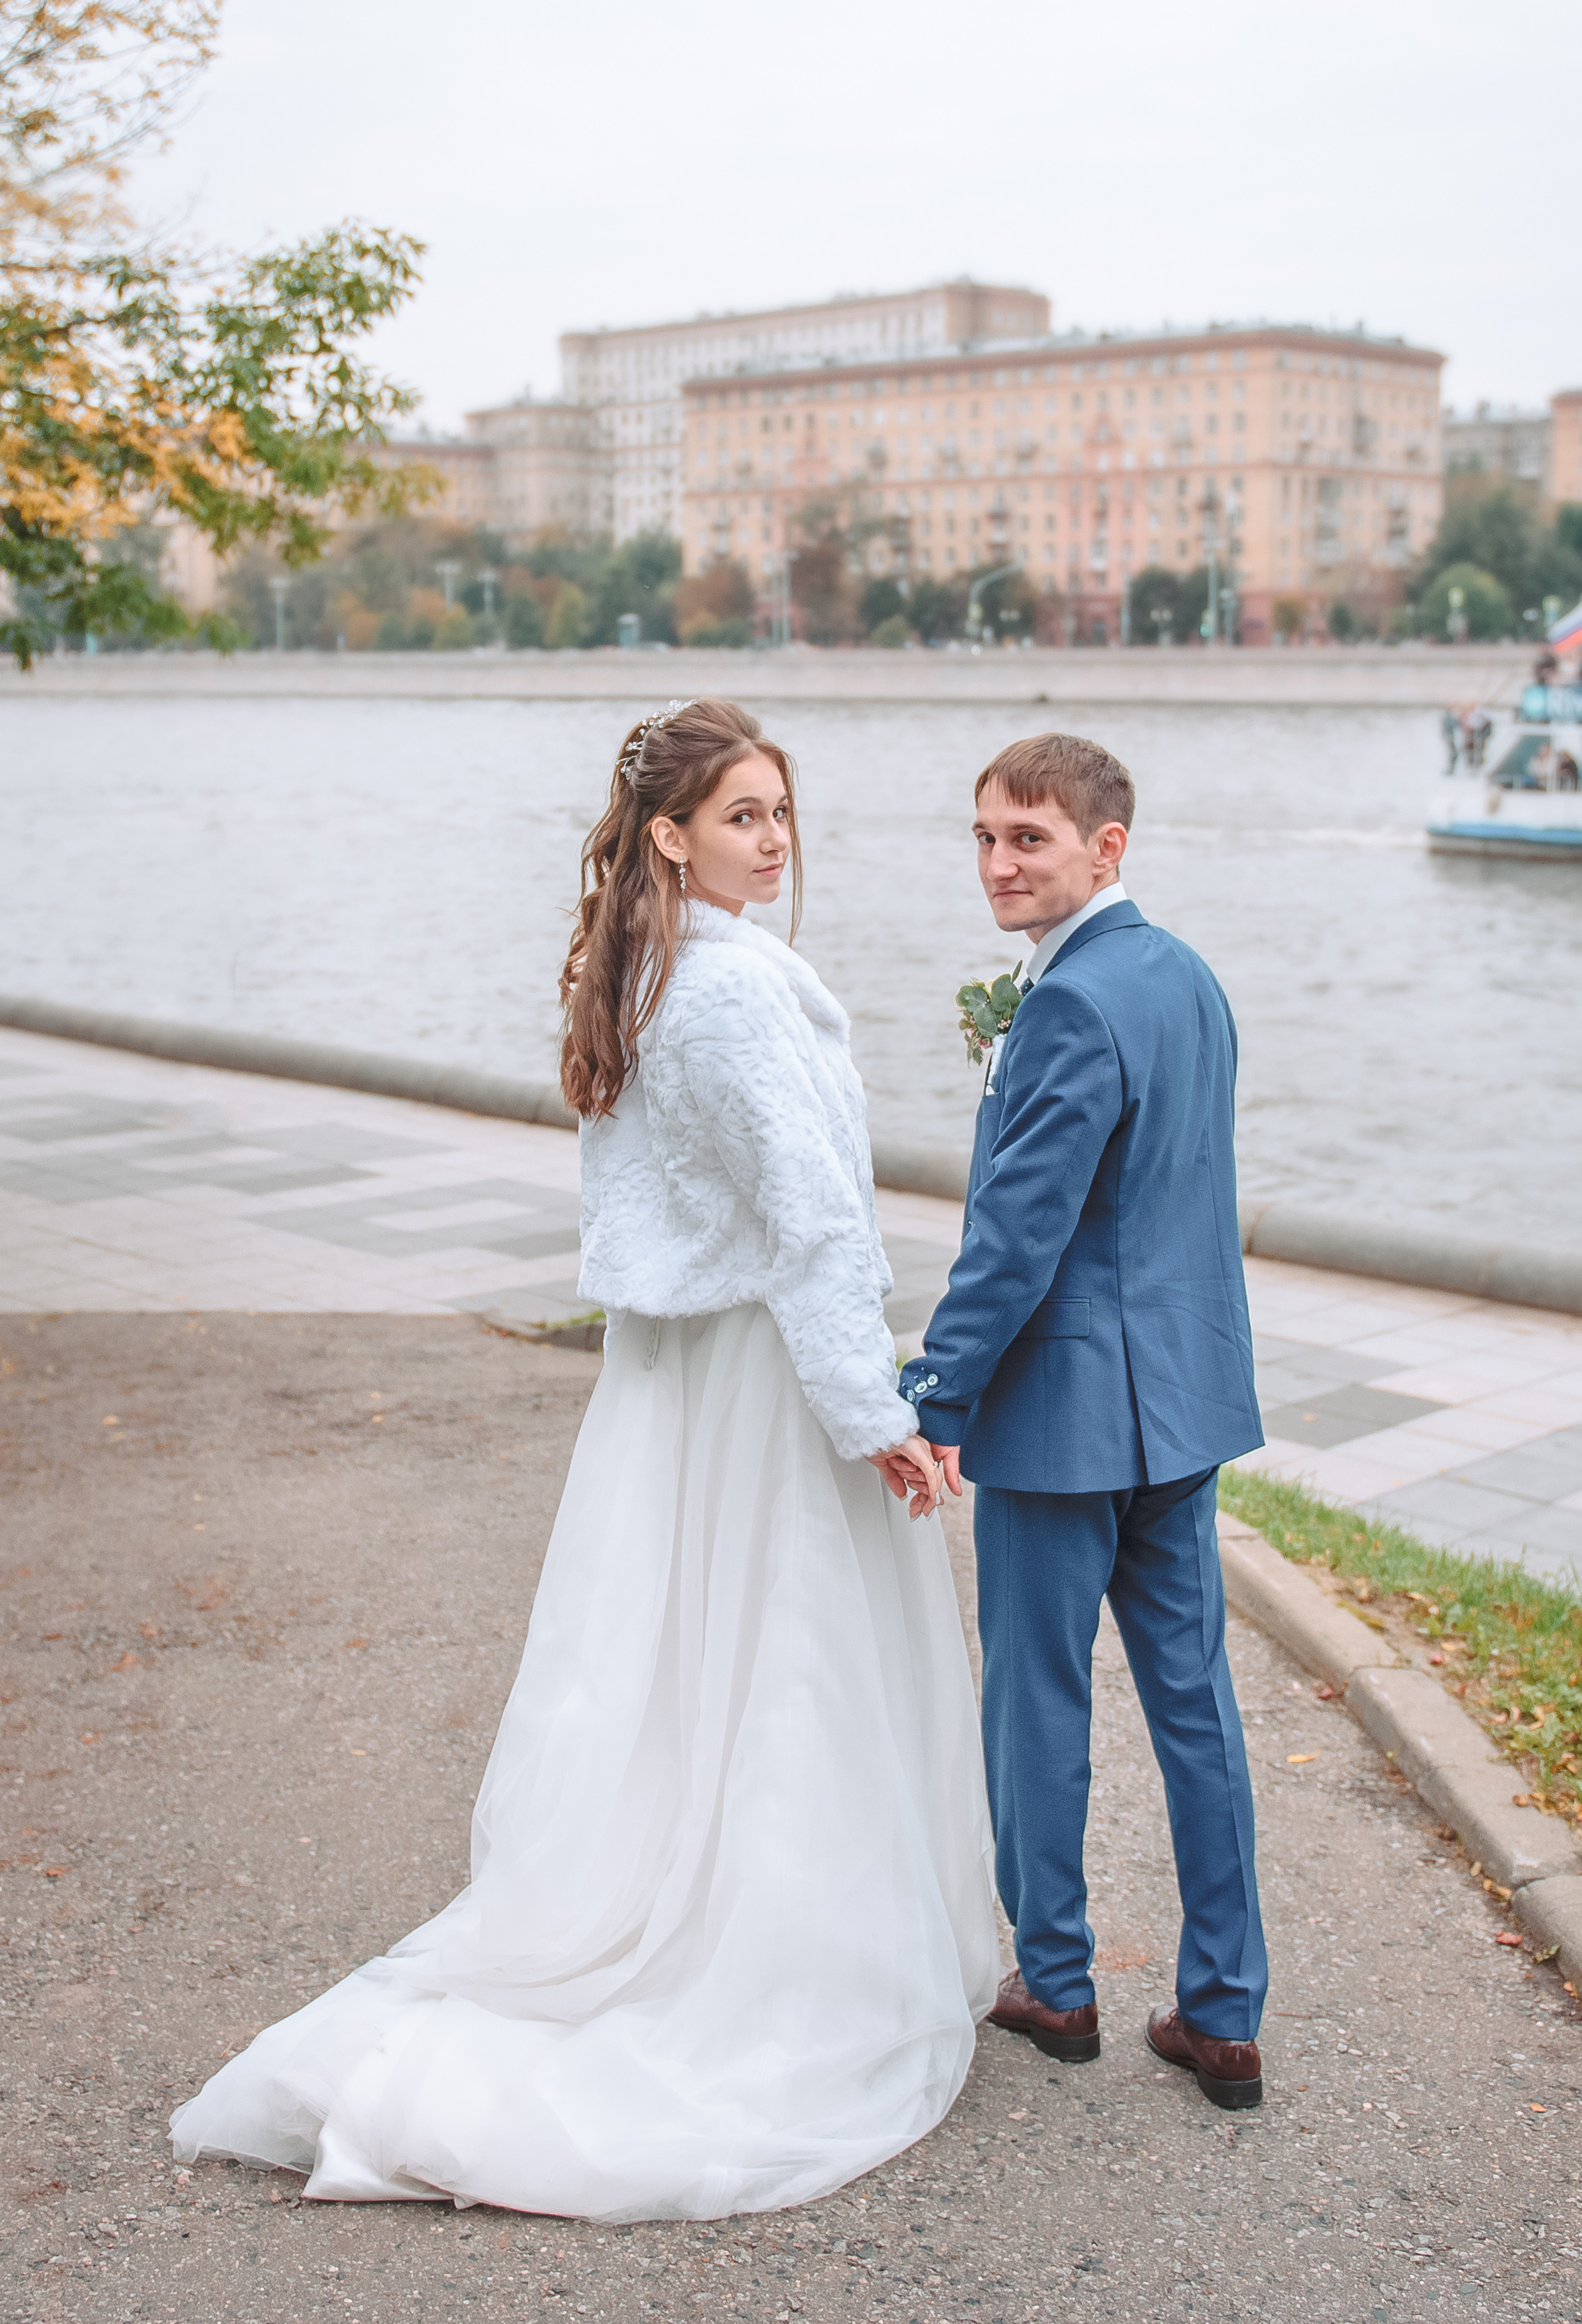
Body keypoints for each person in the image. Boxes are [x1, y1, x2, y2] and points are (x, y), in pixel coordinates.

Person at [169, 698, 998, 2220]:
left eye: (781, 813)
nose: (774, 840)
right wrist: (869, 1411)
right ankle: (778, 1958)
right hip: (759, 1369)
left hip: (684, 1377)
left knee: (689, 1669)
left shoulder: (651, 963)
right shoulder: (736, 994)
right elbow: (810, 1223)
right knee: (787, 1661)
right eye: (745, 815)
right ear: (671, 832)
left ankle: (699, 1912)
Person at [900, 735, 1269, 2113]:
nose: (999, 863)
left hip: (1063, 1424)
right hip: (1179, 1408)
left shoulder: (1062, 1007)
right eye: (985, 836)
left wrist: (939, 1393)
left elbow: (1015, 1237)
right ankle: (1223, 2012)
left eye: (1029, 840)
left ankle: (1055, 1986)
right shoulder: (1187, 979)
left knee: (1036, 1704)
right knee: (1194, 1708)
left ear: (1104, 849)